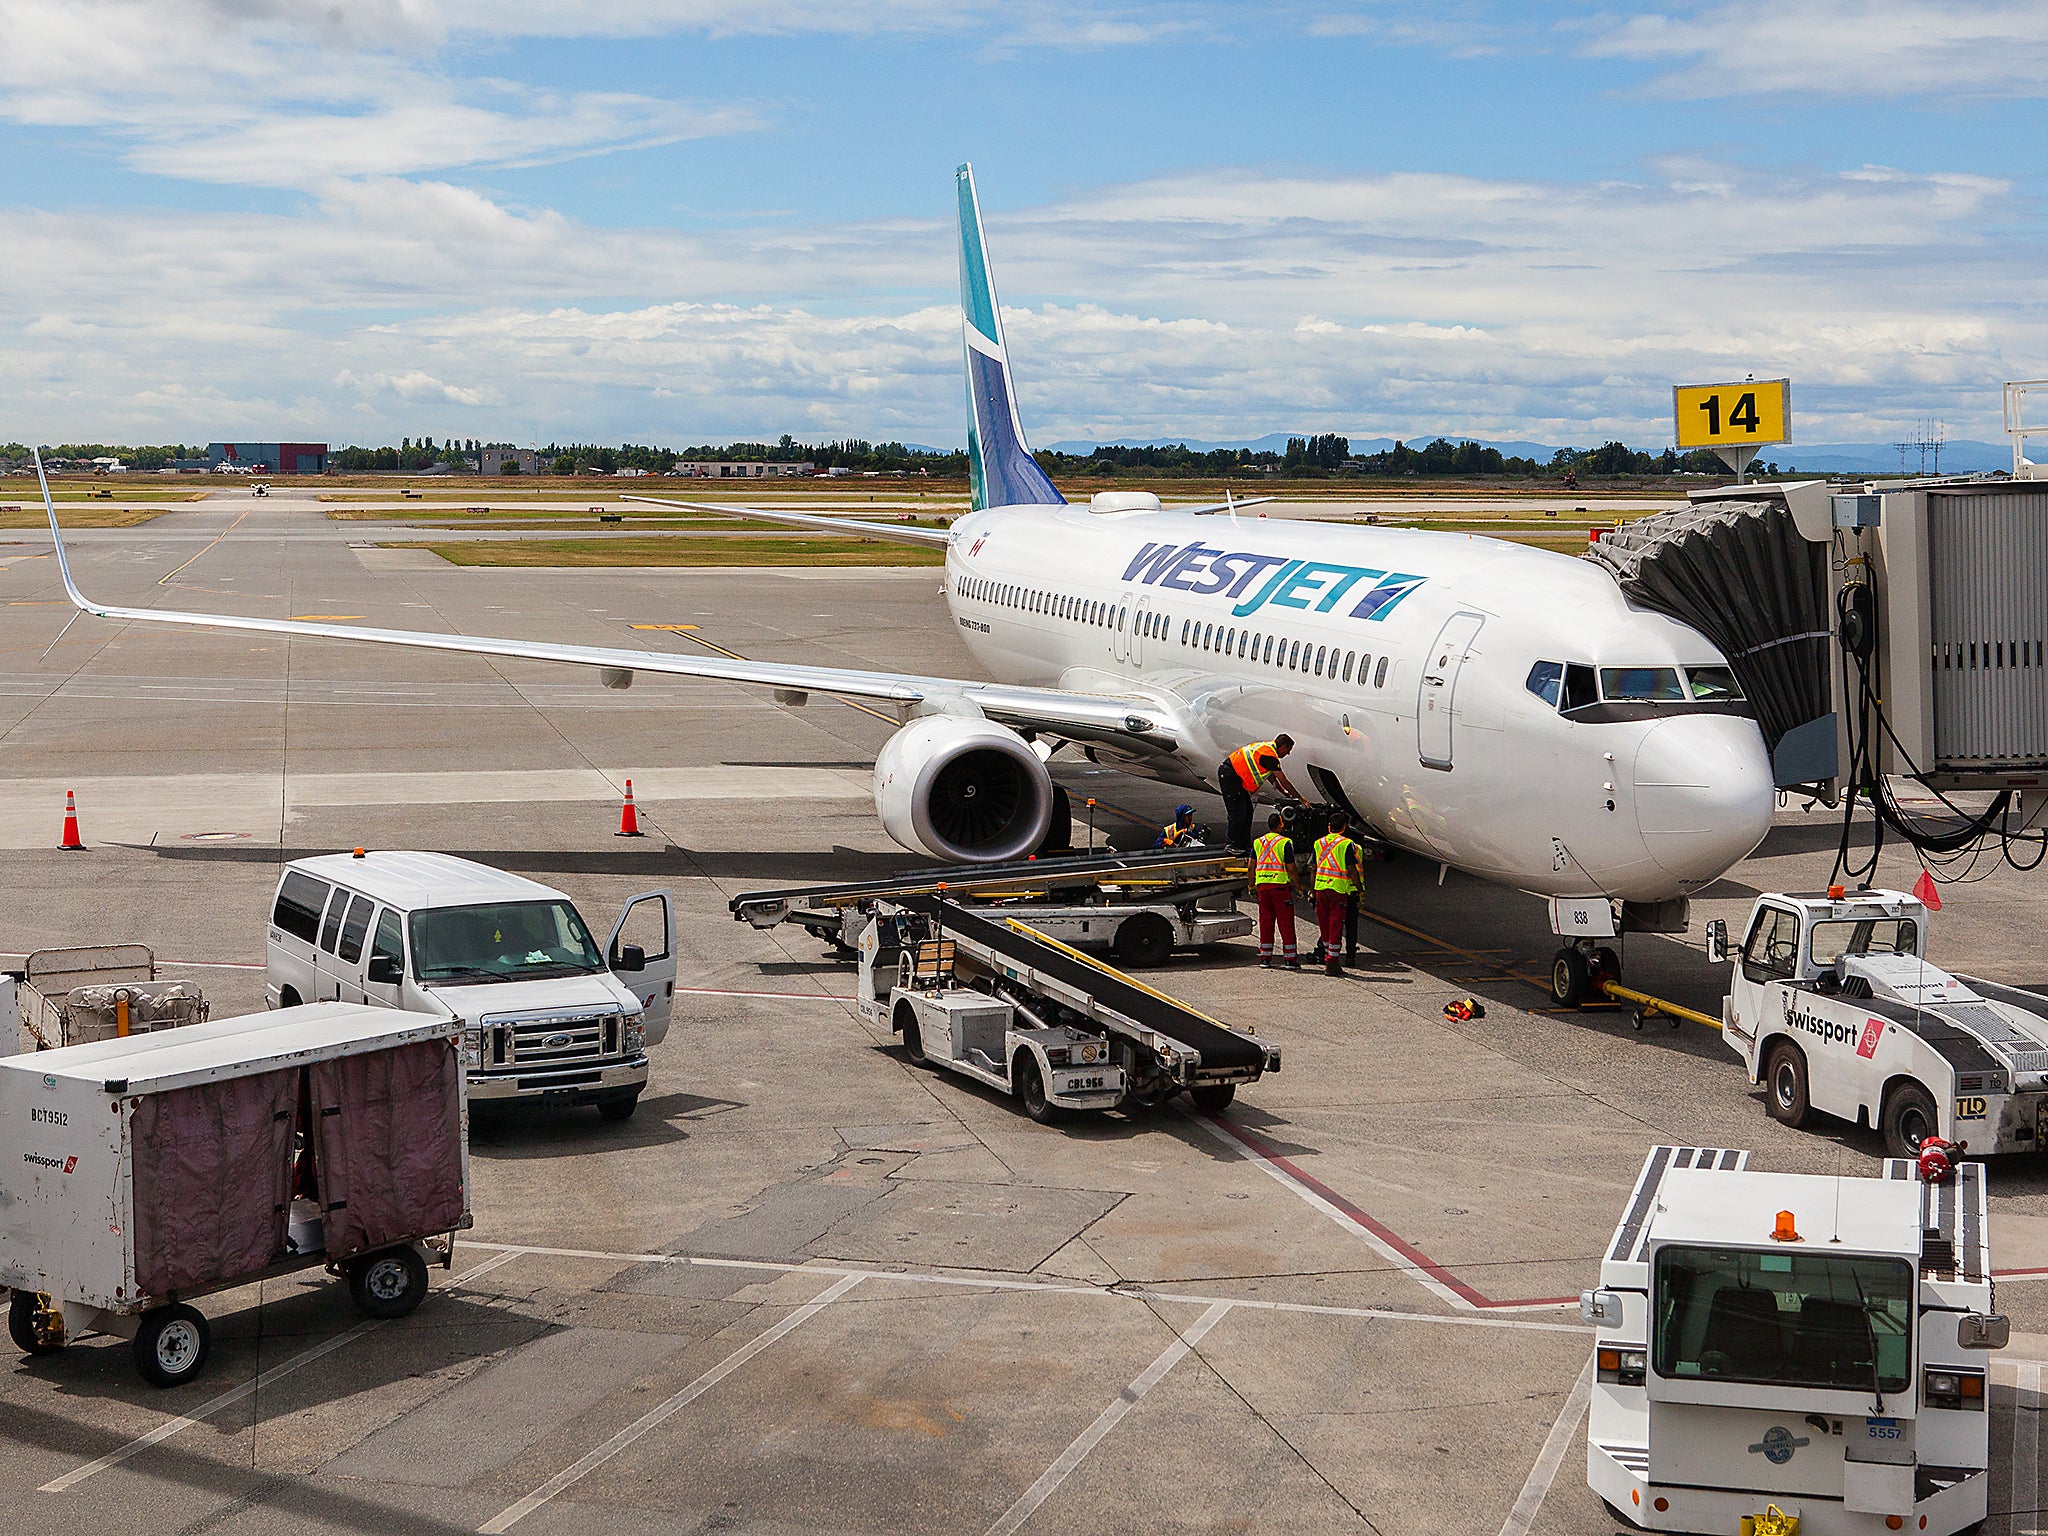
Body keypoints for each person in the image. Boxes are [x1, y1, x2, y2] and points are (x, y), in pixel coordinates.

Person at [1217, 734, 1303, 852]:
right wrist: (1300, 798)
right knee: (1238, 811)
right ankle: (1232, 844)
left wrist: (1285, 793)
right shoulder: (1270, 756)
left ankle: (1243, 844)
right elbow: (1283, 780)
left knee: (1247, 810)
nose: (1288, 753)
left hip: (1236, 777)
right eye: (1288, 750)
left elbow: (1272, 777)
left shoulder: (1267, 748)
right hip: (1230, 775)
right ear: (1283, 747)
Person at [1311, 812, 1363, 976]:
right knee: (1335, 926)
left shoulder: (1319, 843)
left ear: (1329, 827)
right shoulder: (1346, 844)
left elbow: (1313, 868)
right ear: (1344, 828)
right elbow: (1351, 869)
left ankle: (1328, 956)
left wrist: (1312, 890)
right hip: (1338, 890)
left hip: (1320, 889)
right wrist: (1360, 889)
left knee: (1325, 926)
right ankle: (1332, 963)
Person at [1251, 811, 1300, 969]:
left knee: (1266, 923)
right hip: (1280, 888)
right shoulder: (1285, 842)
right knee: (1286, 924)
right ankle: (1290, 960)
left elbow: (1251, 866)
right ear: (1280, 825)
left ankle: (1265, 958)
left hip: (1263, 888)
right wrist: (1298, 887)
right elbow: (1291, 868)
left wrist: (1251, 885)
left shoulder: (1258, 842)